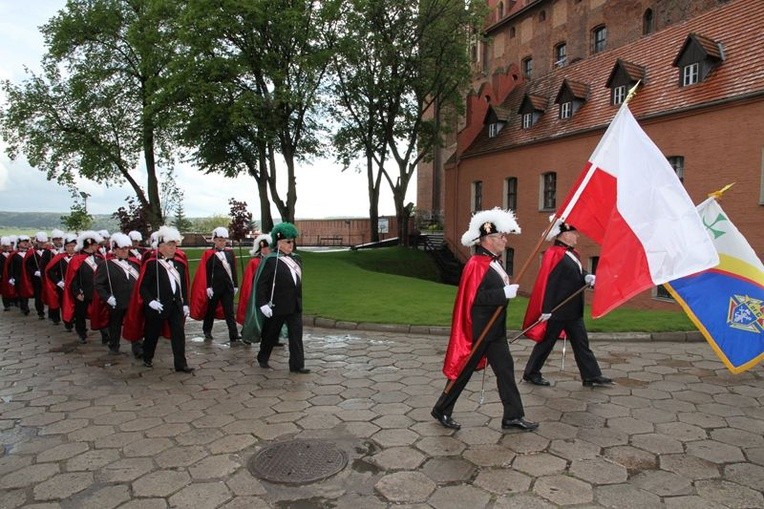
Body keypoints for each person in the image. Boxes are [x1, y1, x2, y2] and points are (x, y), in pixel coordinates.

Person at [432, 208, 538, 432]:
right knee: (463, 372)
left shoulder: (493, 262)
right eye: (501, 237)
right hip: (479, 331)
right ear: (488, 239)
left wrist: (504, 293)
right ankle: (441, 409)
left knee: (506, 370)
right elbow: (475, 298)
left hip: (495, 332)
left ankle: (512, 416)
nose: (505, 240)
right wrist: (503, 294)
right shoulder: (476, 264)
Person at [522, 219, 613, 387]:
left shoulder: (572, 253)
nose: (577, 236)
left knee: (581, 343)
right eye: (573, 233)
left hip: (573, 310)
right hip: (557, 310)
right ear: (564, 235)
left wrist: (586, 276)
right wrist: (546, 309)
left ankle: (591, 375)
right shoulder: (554, 253)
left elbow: (575, 273)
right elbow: (549, 282)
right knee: (546, 343)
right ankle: (531, 373)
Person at [248, 222, 308, 373]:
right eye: (288, 242)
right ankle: (263, 357)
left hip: (294, 304)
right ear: (279, 242)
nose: (291, 244)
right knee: (271, 334)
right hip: (277, 305)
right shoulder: (271, 260)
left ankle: (297, 365)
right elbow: (261, 284)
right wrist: (263, 304)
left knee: (296, 336)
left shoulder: (296, 259)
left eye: (292, 241)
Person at [136, 226, 193, 372]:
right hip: (158, 305)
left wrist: (186, 303)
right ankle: (147, 357)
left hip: (176, 304)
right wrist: (151, 301)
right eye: (169, 244)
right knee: (152, 333)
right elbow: (143, 287)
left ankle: (181, 364)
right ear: (160, 246)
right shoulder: (151, 263)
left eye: (174, 244)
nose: (173, 247)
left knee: (179, 334)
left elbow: (184, 285)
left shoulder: (180, 263)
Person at [190, 227, 240, 344]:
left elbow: (233, 270)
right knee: (210, 310)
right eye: (219, 240)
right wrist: (208, 287)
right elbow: (205, 272)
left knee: (229, 312)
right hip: (214, 288)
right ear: (214, 240)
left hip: (227, 287)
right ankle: (207, 330)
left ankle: (234, 334)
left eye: (223, 240)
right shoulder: (209, 254)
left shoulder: (230, 253)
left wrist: (235, 284)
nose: (222, 242)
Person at [95, 233, 142, 356]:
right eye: (121, 249)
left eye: (126, 248)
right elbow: (99, 284)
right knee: (115, 325)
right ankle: (114, 346)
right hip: (116, 300)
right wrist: (107, 298)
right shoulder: (106, 264)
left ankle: (137, 348)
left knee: (135, 323)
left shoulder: (135, 263)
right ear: (114, 250)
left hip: (133, 300)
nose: (125, 251)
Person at [63, 231, 109, 344]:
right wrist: (77, 292)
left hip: (98, 292)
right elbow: (72, 278)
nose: (97, 246)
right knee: (80, 314)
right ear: (89, 244)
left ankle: (105, 334)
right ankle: (82, 333)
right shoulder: (76, 259)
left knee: (101, 313)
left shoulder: (99, 258)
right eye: (95, 244)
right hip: (83, 292)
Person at [236, 233, 271, 344]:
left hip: (269, 292)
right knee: (252, 314)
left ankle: (271, 337)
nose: (268, 250)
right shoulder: (254, 262)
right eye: (266, 247)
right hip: (255, 291)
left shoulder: (272, 260)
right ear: (261, 248)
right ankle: (247, 335)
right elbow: (249, 280)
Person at [44, 233, 77, 329]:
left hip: (76, 285)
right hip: (63, 286)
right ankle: (68, 323)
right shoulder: (60, 257)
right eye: (68, 246)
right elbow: (50, 271)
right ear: (65, 247)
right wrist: (58, 282)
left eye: (73, 246)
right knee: (65, 304)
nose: (71, 248)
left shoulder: (79, 257)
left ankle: (76, 321)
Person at [25, 232, 53, 320]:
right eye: (40, 243)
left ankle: (51, 313)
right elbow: (27, 265)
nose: (42, 244)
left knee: (50, 294)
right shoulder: (31, 252)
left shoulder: (50, 252)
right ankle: (40, 312)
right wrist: (34, 272)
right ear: (36, 242)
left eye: (44, 243)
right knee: (38, 295)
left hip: (47, 277)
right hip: (36, 278)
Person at [7, 234, 33, 316]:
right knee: (21, 292)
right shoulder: (14, 255)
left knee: (27, 291)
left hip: (29, 276)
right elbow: (11, 266)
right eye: (23, 242)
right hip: (18, 276)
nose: (25, 243)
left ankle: (25, 305)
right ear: (18, 244)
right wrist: (11, 277)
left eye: (26, 242)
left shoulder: (31, 253)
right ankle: (24, 307)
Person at [0, 236, 16, 311]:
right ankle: (6, 305)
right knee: (4, 290)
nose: (6, 248)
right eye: (4, 246)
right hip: (2, 274)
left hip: (12, 273)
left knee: (13, 287)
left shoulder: (12, 254)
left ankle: (14, 301)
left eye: (7, 246)